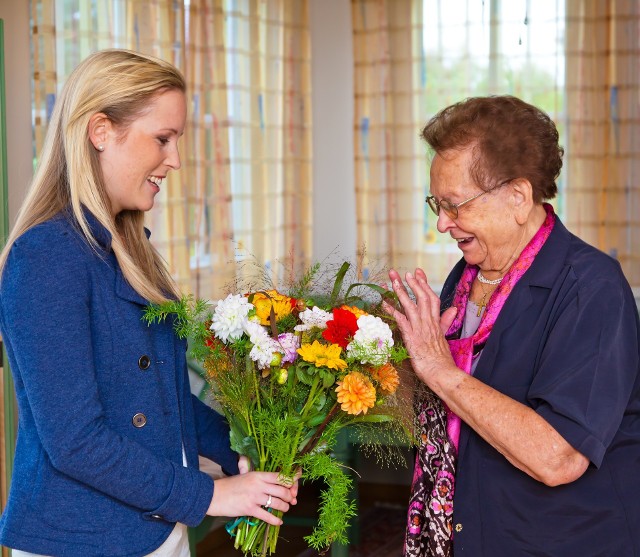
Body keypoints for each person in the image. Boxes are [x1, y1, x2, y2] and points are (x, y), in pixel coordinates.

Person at [0, 49, 297, 557]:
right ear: (100, 131)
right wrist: (210, 494)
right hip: (82, 539)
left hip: (155, 528)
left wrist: (242, 453)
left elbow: (166, 402)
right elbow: (75, 441)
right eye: (163, 138)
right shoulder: (46, 255)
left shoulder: (131, 250)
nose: (175, 159)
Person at [384, 95, 640, 556]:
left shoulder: (591, 288)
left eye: (454, 205)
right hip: (477, 531)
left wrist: (440, 368)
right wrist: (399, 361)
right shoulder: (464, 282)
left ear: (518, 197)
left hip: (564, 541)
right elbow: (449, 402)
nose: (442, 224)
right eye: (435, 204)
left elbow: (558, 457)